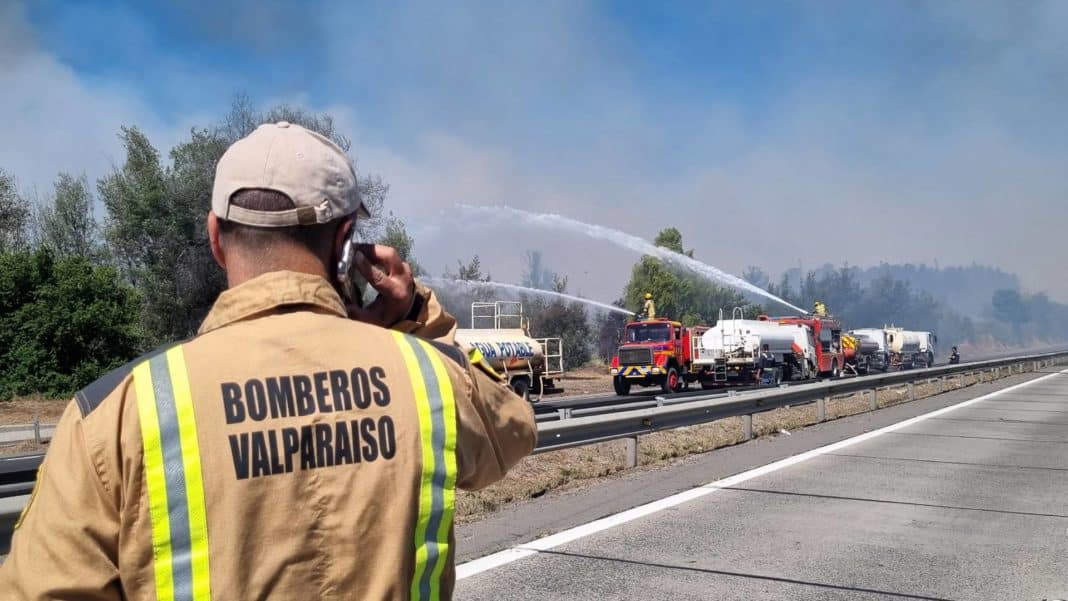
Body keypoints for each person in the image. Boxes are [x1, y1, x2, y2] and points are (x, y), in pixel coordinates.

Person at [0, 122, 537, 600]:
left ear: (215, 237)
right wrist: (415, 314)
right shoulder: (428, 377)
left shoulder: (114, 414)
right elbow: (514, 427)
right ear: (346, 243)